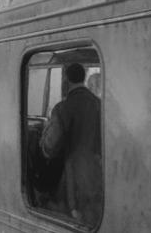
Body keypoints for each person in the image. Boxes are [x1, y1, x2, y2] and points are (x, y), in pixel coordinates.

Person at [39, 63, 103, 225]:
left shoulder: (63, 109)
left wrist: (44, 135)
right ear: (84, 77)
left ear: (66, 80)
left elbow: (50, 147)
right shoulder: (99, 104)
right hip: (97, 177)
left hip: (71, 182)